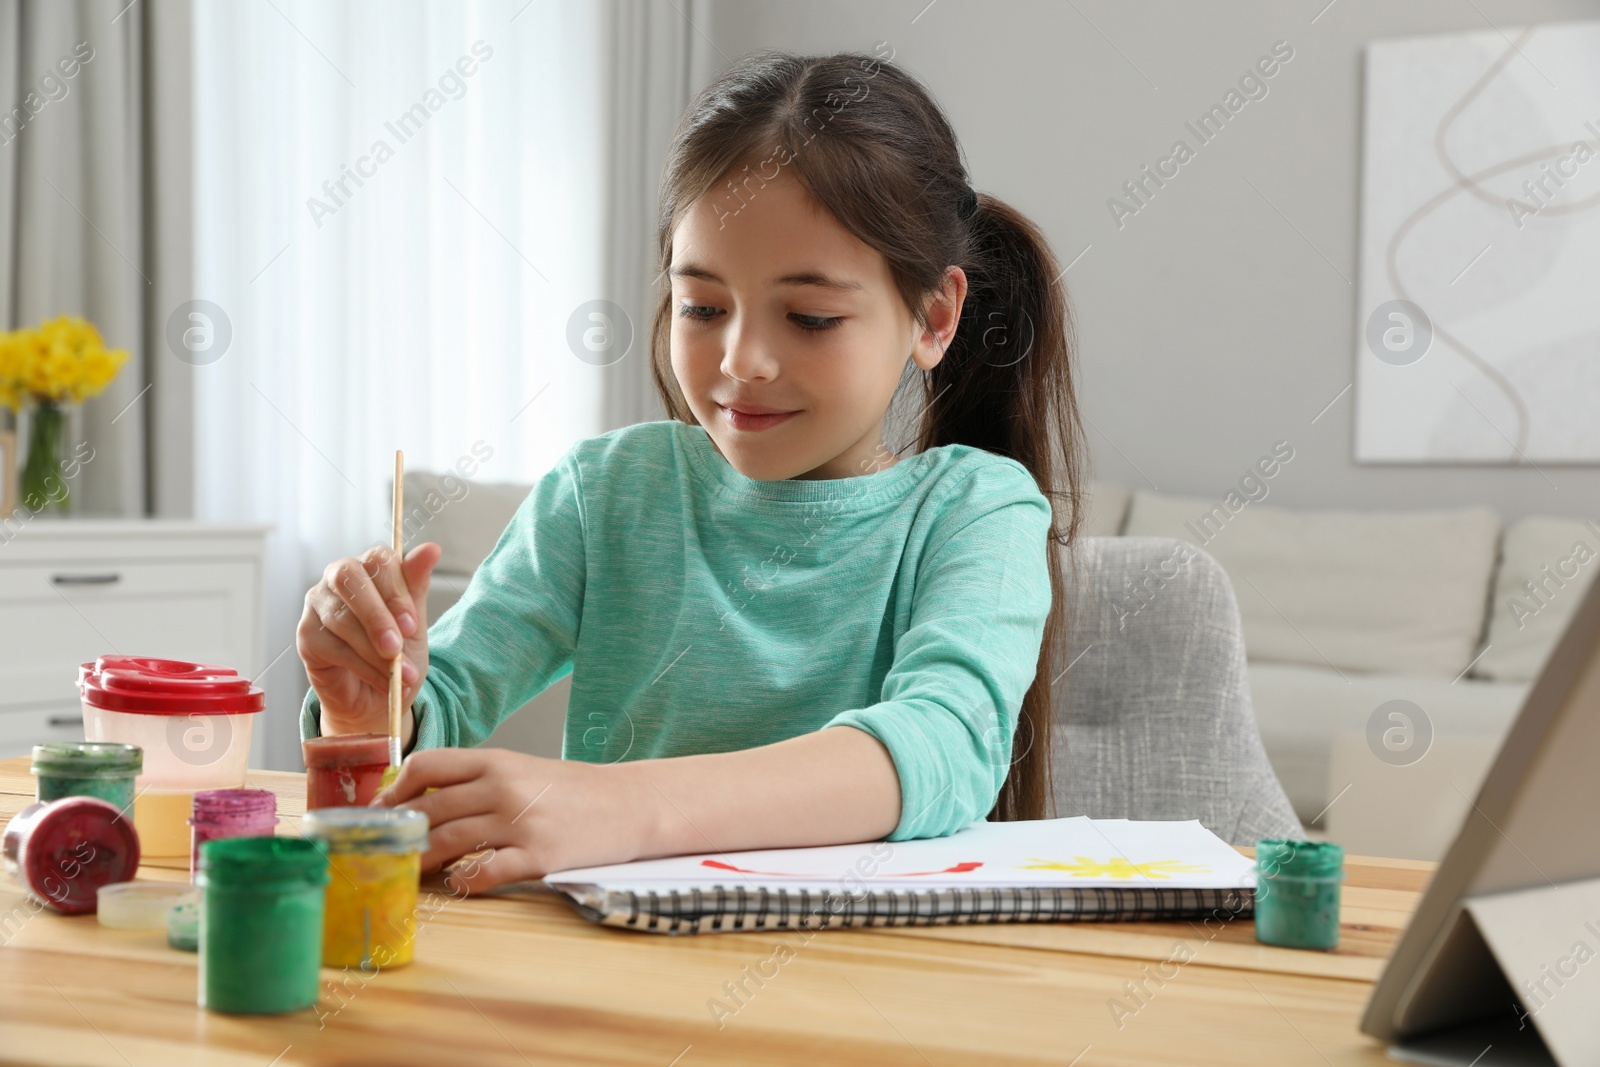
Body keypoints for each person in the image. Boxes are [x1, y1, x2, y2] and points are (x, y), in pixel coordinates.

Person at [296, 47, 1086, 895]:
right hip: (613, 970)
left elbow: (944, 743)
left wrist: (622, 807)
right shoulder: (606, 493)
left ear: (932, 317)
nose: (741, 360)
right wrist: (367, 704)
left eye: (811, 317)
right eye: (703, 306)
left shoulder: (976, 508)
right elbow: (432, 711)